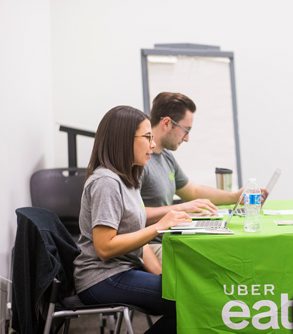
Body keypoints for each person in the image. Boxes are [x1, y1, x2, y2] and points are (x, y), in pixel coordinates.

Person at [73, 105, 191, 333]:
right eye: (147, 137)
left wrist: (160, 275)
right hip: (101, 278)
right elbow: (105, 247)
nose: (153, 144)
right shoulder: (106, 182)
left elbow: (135, 236)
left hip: (122, 270)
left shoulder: (128, 178)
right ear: (124, 140)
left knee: (185, 294)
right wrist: (158, 227)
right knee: (189, 302)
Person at [140, 92, 267, 260]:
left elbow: (192, 190)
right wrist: (180, 208)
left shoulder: (166, 157)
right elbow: (132, 214)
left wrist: (235, 196)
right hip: (151, 245)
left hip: (168, 238)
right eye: (186, 130)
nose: (187, 138)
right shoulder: (140, 161)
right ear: (167, 123)